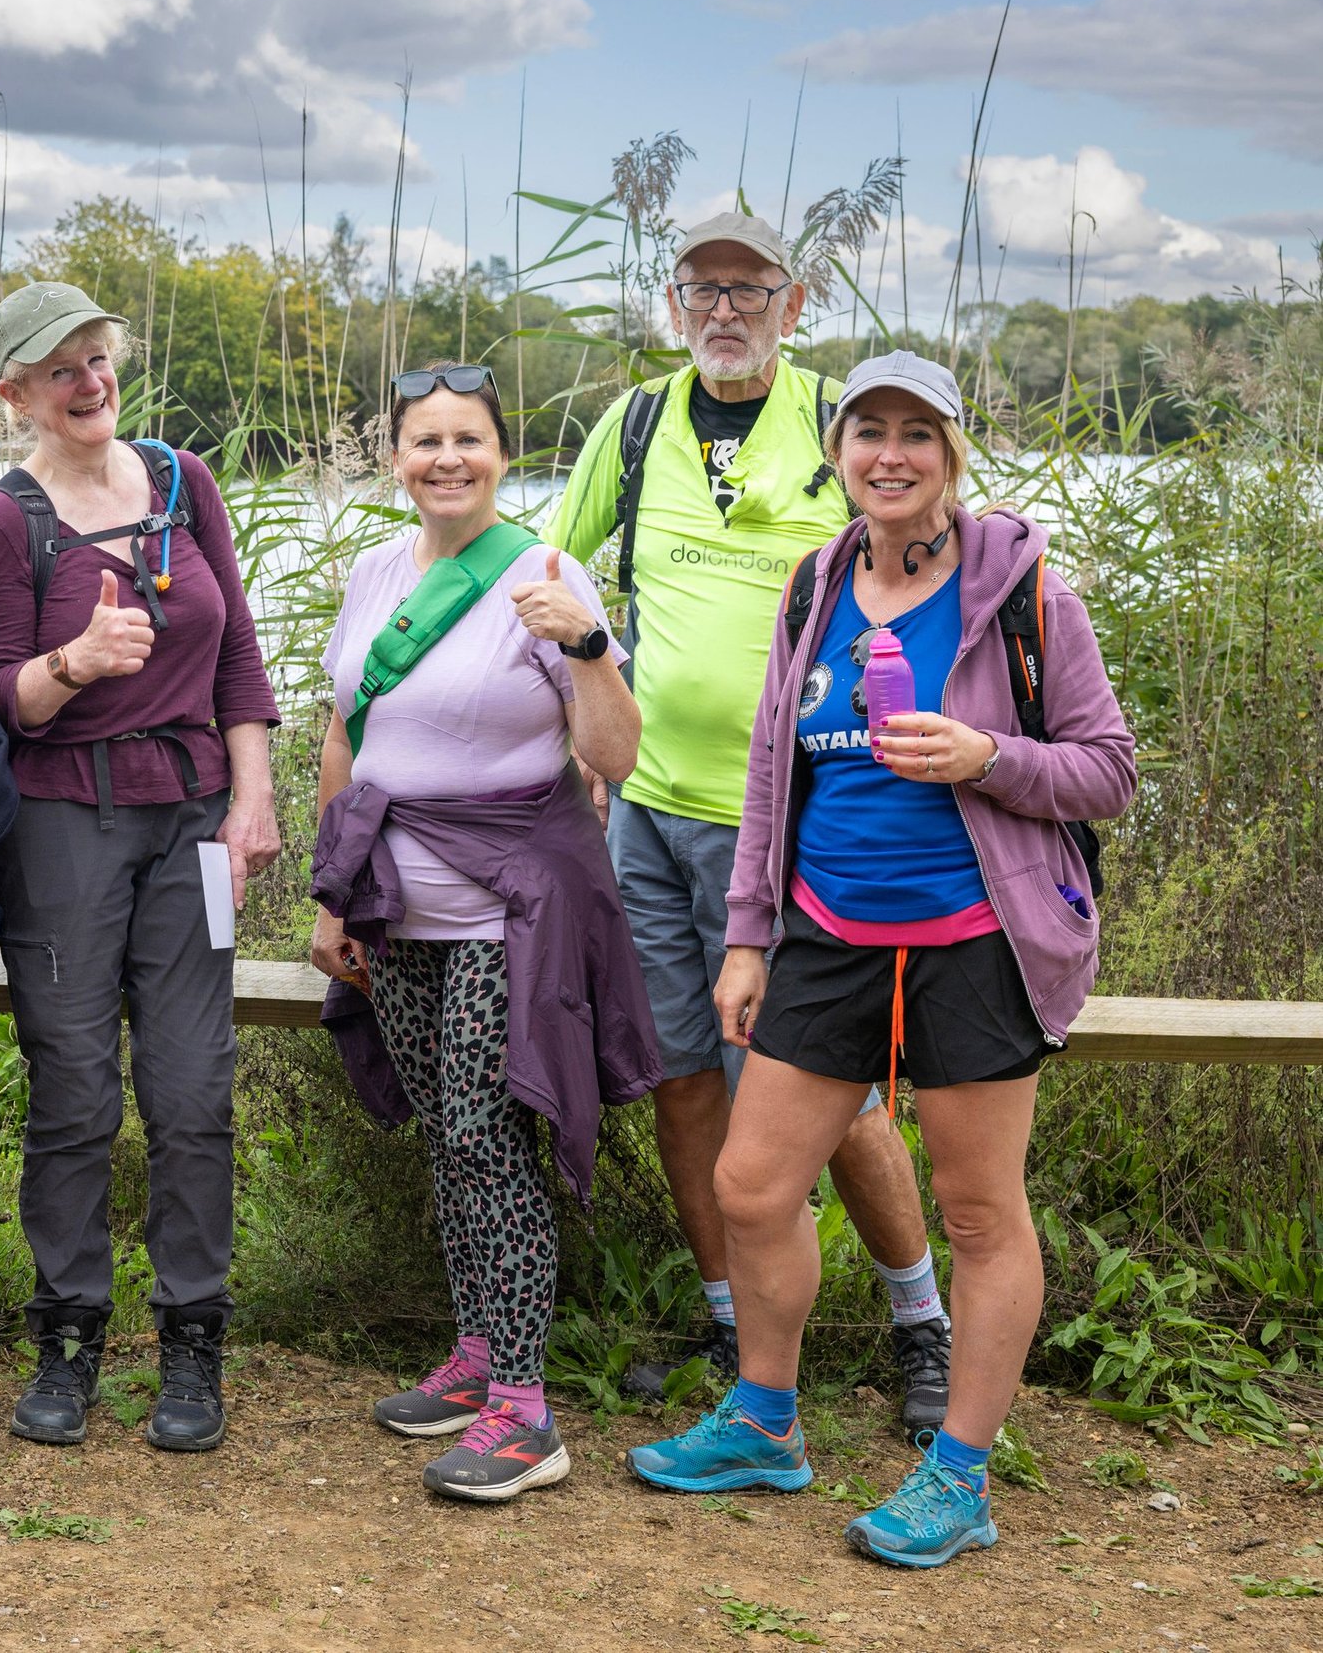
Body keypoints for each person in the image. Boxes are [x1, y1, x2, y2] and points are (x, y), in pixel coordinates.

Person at [629, 350, 1136, 1567]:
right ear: (837, 451)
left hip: (973, 942)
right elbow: (768, 779)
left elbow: (1107, 771)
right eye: (868, 431)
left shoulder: (1023, 594)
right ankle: (764, 1420)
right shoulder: (813, 584)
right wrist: (747, 937)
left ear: (954, 453)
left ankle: (956, 1479)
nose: (890, 454)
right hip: (826, 933)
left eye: (918, 432)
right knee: (751, 1188)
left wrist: (984, 757)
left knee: (976, 1213)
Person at [544, 211, 953, 1430]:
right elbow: (550, 576)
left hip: (797, 826)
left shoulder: (844, 423)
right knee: (681, 1082)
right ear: (672, 305)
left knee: (834, 1099)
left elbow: (931, 569)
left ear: (795, 299)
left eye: (750, 289)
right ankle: (737, 1330)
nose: (725, 310)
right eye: (701, 290)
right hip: (650, 817)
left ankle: (919, 1323)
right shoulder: (631, 427)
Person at [308, 361, 659, 1503]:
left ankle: (524, 1409)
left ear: (502, 456)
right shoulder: (370, 574)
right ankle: (475, 1355)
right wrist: (331, 895)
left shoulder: (549, 579)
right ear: (394, 459)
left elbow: (612, 758)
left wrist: (588, 646)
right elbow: (345, 734)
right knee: (444, 1140)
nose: (446, 459)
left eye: (467, 439)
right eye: (424, 442)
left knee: (487, 1141)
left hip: (507, 915)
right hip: (394, 908)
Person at [0, 280, 280, 1452]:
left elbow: (238, 649)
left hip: (190, 819)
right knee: (76, 1093)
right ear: (13, 394)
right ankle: (70, 1335)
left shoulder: (184, 482)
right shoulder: (7, 522)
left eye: (97, 358)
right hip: (59, 830)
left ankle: (193, 1340)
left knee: (194, 1092)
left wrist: (252, 800)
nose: (88, 384)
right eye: (59, 370)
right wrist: (78, 660)